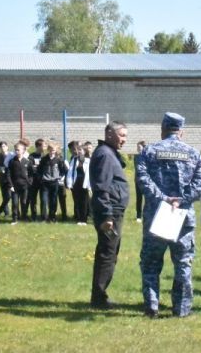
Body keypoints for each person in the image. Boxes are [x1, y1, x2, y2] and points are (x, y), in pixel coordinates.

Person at [136, 112, 201, 318]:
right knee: (183, 262)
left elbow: (143, 180)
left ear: (162, 129)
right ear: (181, 132)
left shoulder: (149, 151)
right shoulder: (194, 154)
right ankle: (182, 308)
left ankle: (152, 305)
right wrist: (180, 199)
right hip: (182, 215)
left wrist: (163, 199)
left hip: (156, 215)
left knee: (151, 263)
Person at [89, 122, 129, 309]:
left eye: (125, 135)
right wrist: (107, 216)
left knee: (109, 254)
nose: (124, 139)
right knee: (107, 255)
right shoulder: (105, 154)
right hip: (110, 212)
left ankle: (99, 296)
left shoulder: (109, 153)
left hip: (113, 210)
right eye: (121, 135)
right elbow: (101, 187)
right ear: (109, 134)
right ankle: (99, 298)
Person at [37, 142, 67, 223]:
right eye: (50, 150)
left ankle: (52, 217)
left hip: (54, 183)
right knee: (44, 200)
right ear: (48, 150)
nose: (52, 152)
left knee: (53, 200)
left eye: (53, 150)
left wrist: (59, 177)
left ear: (56, 150)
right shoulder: (44, 159)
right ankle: (44, 217)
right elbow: (39, 170)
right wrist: (41, 178)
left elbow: (64, 170)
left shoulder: (59, 160)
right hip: (45, 183)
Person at [66, 141, 91, 226]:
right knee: (77, 201)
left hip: (84, 183)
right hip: (76, 183)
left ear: (84, 151)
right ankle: (79, 218)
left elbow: (89, 173)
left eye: (81, 150)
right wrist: (69, 183)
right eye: (78, 150)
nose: (79, 151)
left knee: (84, 202)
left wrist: (89, 185)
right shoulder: (74, 159)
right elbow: (70, 171)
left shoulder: (88, 160)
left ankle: (84, 219)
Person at [6, 142, 31, 225]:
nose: (17, 152)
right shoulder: (12, 162)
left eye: (18, 150)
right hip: (15, 187)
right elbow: (8, 174)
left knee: (24, 202)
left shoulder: (27, 161)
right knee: (15, 203)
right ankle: (15, 219)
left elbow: (31, 173)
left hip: (25, 186)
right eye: (15, 150)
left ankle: (24, 217)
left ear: (23, 151)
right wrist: (11, 185)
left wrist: (30, 182)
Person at [26, 139, 46, 221]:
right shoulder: (31, 156)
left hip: (43, 181)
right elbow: (30, 168)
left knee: (43, 199)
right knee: (33, 199)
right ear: (38, 146)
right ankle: (33, 216)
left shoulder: (45, 156)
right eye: (43, 145)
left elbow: (45, 168)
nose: (45, 147)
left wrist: (37, 167)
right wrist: (37, 168)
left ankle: (43, 216)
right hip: (33, 181)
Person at [0, 141, 12, 218]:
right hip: (2, 178)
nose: (3, 148)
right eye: (1, 147)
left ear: (7, 147)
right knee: (4, 196)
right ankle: (6, 213)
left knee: (9, 196)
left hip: (11, 178)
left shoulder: (11, 155)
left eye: (4, 146)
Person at [134, 140, 147, 222]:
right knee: (139, 198)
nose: (138, 149)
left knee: (147, 198)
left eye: (139, 147)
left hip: (146, 180)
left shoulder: (147, 157)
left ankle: (146, 214)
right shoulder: (136, 157)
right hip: (138, 180)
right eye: (137, 147)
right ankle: (138, 216)